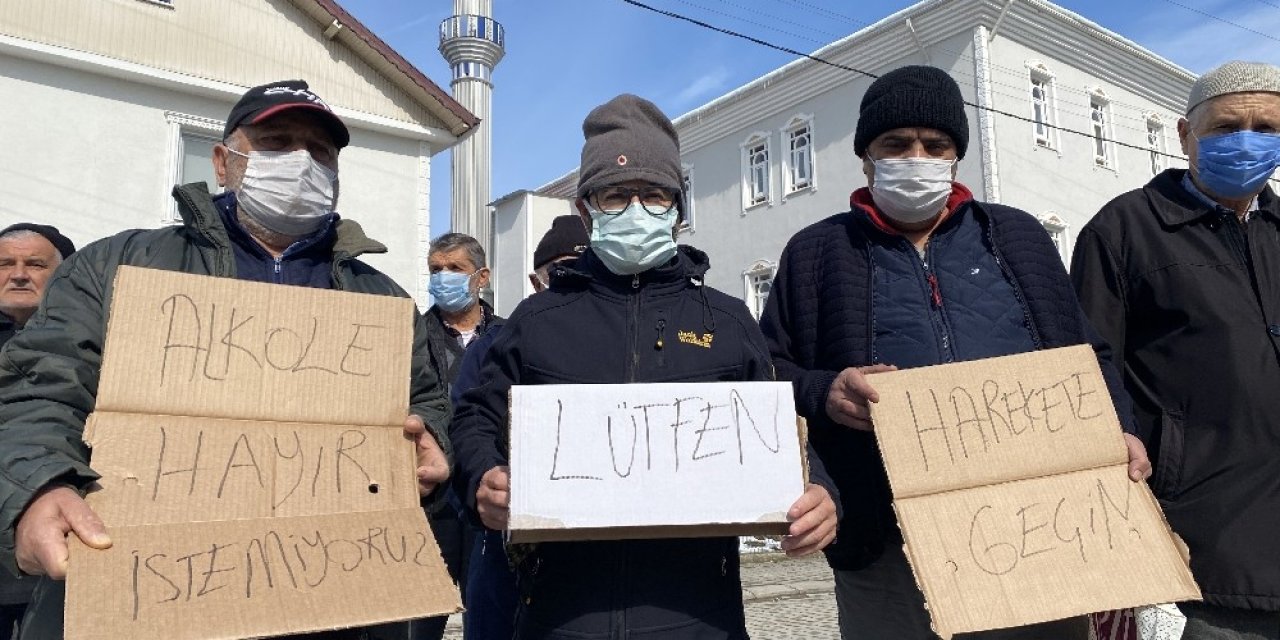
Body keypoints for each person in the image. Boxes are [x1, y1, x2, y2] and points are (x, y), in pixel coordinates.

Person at [0, 80, 452, 640]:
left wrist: (431, 436)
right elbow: (40, 389)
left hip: (326, 595)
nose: (300, 163)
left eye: (319, 152)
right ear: (223, 161)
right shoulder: (116, 266)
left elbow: (424, 399)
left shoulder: (381, 298)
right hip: (143, 591)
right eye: (276, 143)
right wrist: (40, 488)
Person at [757, 65, 1150, 640]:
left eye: (934, 145)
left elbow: (1086, 353)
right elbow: (770, 373)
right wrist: (826, 389)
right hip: (888, 542)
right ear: (865, 156)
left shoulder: (1016, 237)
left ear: (956, 156)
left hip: (1039, 530)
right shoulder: (816, 253)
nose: (916, 157)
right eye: (896, 144)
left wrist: (1120, 427)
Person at [450, 94, 839, 640]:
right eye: (615, 195)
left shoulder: (726, 321)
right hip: (559, 617)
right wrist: (481, 477)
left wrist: (821, 490)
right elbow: (474, 416)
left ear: (678, 209)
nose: (636, 209)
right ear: (586, 209)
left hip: (700, 616)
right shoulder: (537, 320)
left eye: (654, 195)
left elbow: (784, 431)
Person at [1071, 60, 1280, 638]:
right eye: (1225, 127)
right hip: (1204, 547)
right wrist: (1133, 519)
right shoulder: (1123, 231)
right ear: (1185, 134)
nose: (1247, 141)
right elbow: (1087, 381)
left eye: (1267, 128)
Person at [450, 214, 588, 640]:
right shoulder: (499, 344)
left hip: (591, 541)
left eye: (583, 270)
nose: (570, 282)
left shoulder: (613, 341)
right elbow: (467, 426)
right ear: (536, 279)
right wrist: (482, 481)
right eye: (559, 272)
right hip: (507, 537)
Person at [414, 232, 502, 640]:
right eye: (436, 269)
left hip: (483, 488)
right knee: (422, 609)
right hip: (432, 496)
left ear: (480, 276)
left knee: (485, 605)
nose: (443, 277)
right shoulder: (414, 334)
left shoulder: (507, 335)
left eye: (454, 268)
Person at [0, 223, 75, 640]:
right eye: (5, 263)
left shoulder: (91, 346)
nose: (19, 274)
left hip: (55, 561)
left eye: (35, 264)